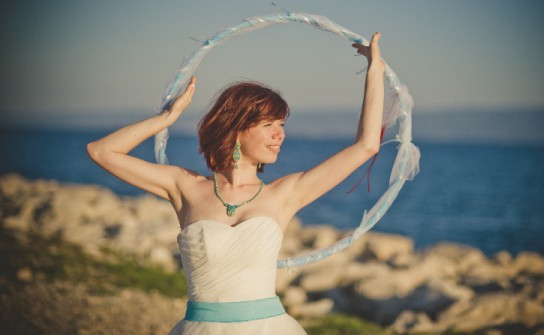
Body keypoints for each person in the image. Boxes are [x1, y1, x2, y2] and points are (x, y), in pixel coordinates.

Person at [87, 32, 386, 334]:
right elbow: (100, 151)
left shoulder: (285, 194)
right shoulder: (185, 186)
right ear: (237, 129)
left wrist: (374, 70)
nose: (280, 134)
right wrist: (167, 118)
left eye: (281, 125)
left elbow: (367, 145)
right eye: (268, 125)